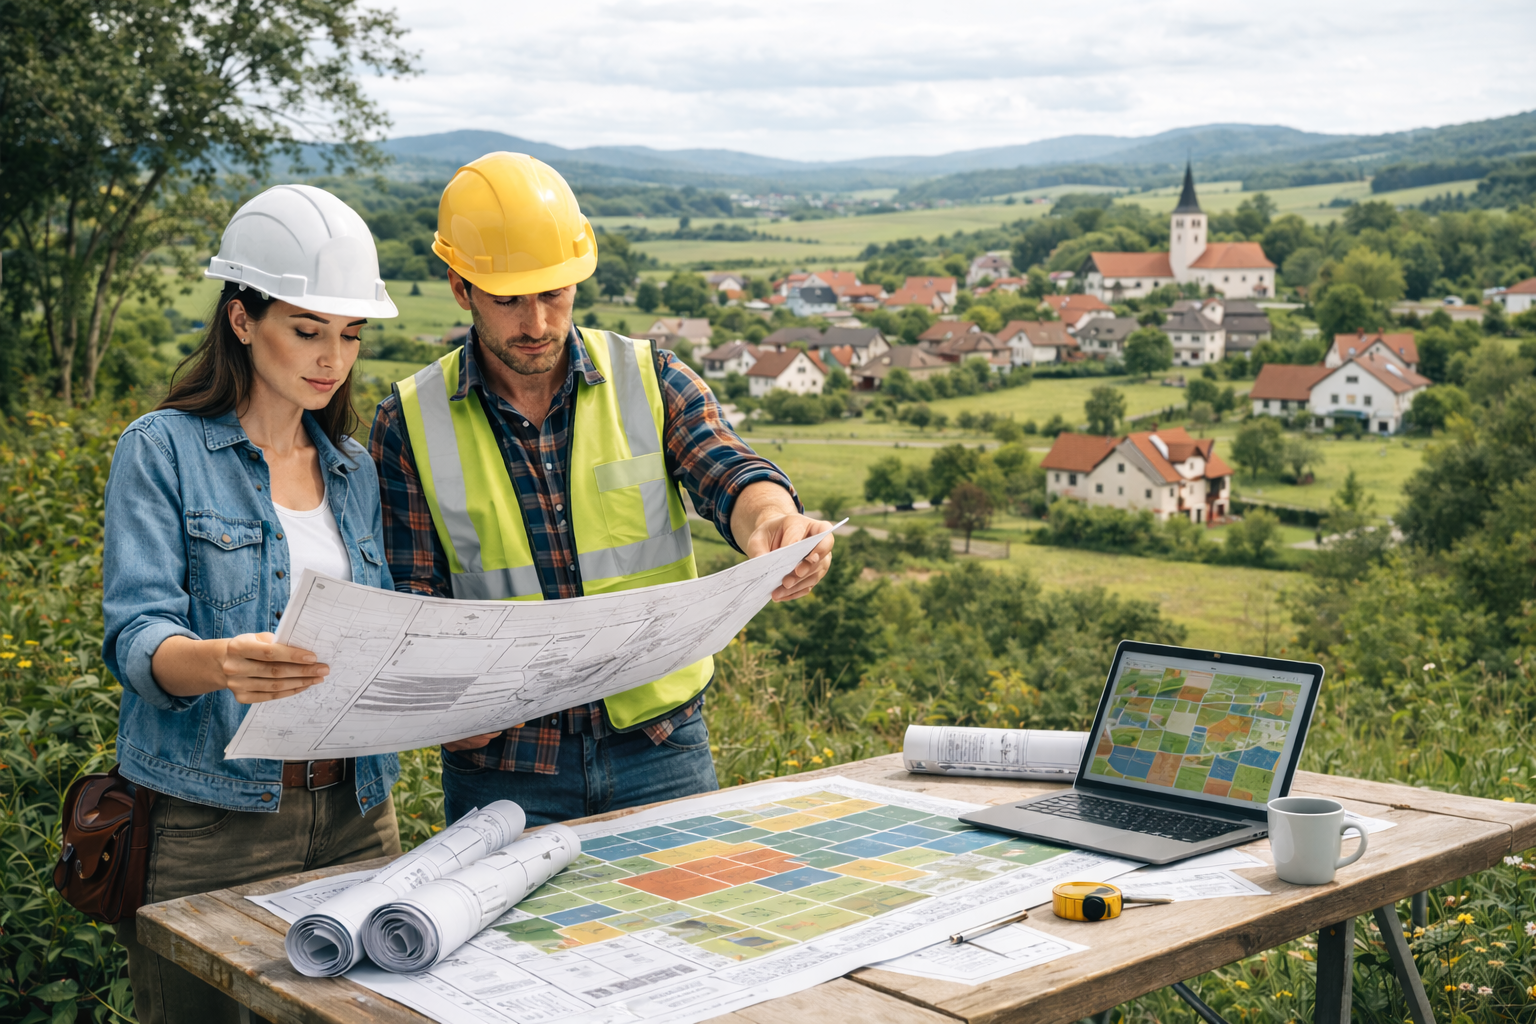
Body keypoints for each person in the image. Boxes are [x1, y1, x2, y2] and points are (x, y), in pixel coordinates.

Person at [370, 152, 834, 828]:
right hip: (502, 767)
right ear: (461, 287)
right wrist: (443, 705)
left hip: (661, 746)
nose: (537, 323)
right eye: (509, 299)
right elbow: (410, 598)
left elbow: (728, 469)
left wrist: (774, 521)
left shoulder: (651, 378)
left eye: (553, 293)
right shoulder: (407, 422)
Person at [102, 184, 402, 1024]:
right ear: (242, 318)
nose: (332, 358)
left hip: (358, 810)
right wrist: (220, 662)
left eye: (350, 333)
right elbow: (136, 636)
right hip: (210, 817)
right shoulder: (160, 450)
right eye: (307, 330)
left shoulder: (353, 469)